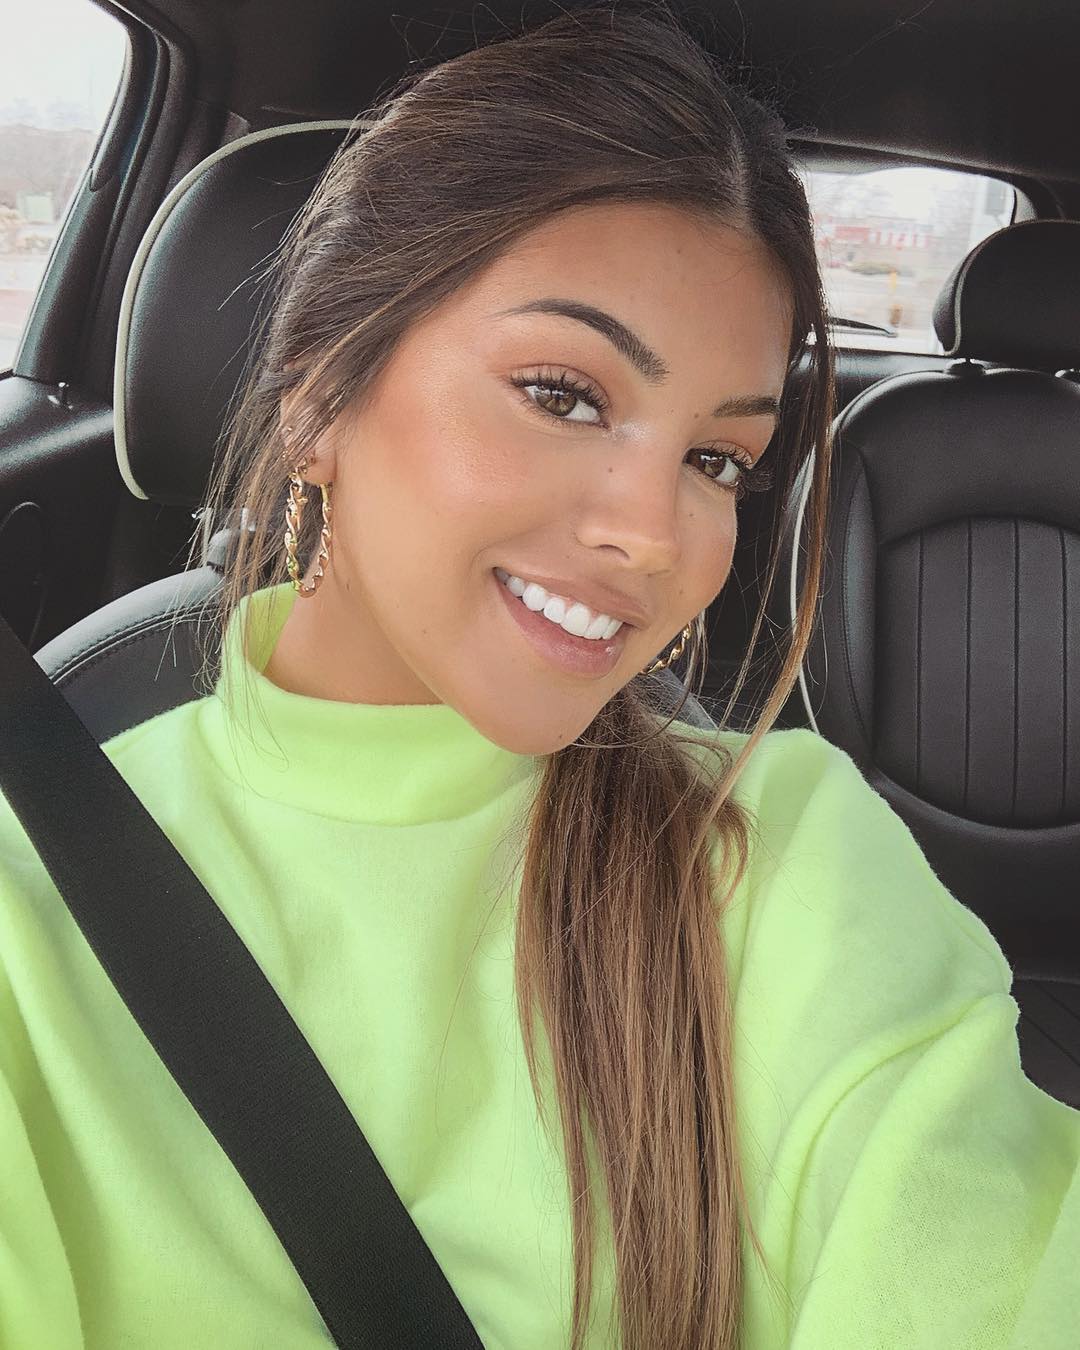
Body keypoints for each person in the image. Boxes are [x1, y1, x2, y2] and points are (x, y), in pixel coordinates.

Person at [1, 4, 1078, 1348]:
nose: (658, 535)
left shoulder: (783, 855)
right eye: (564, 394)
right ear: (320, 394)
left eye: (719, 460)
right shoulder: (30, 898)